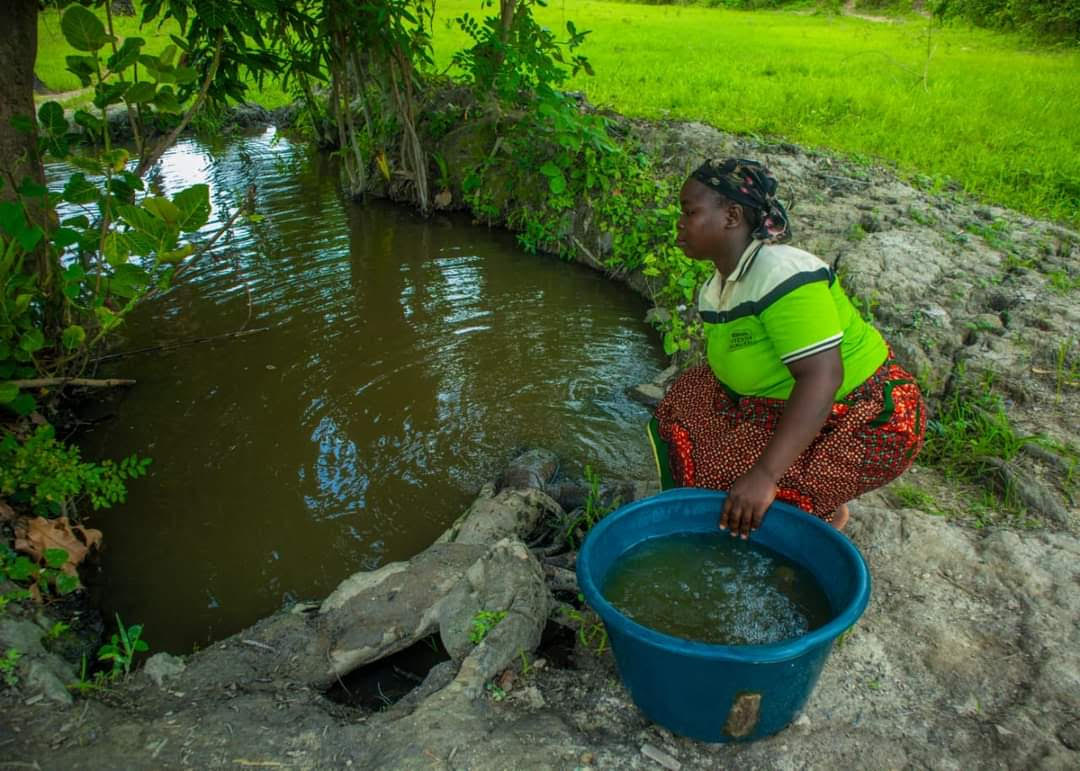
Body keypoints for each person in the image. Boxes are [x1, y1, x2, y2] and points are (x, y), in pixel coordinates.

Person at [647, 158, 927, 539]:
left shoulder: (783, 274)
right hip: (780, 402)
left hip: (865, 413)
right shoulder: (718, 289)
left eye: (690, 211)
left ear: (731, 216)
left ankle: (815, 509)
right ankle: (789, 491)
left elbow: (822, 376)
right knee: (686, 401)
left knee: (750, 494)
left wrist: (765, 474)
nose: (680, 222)